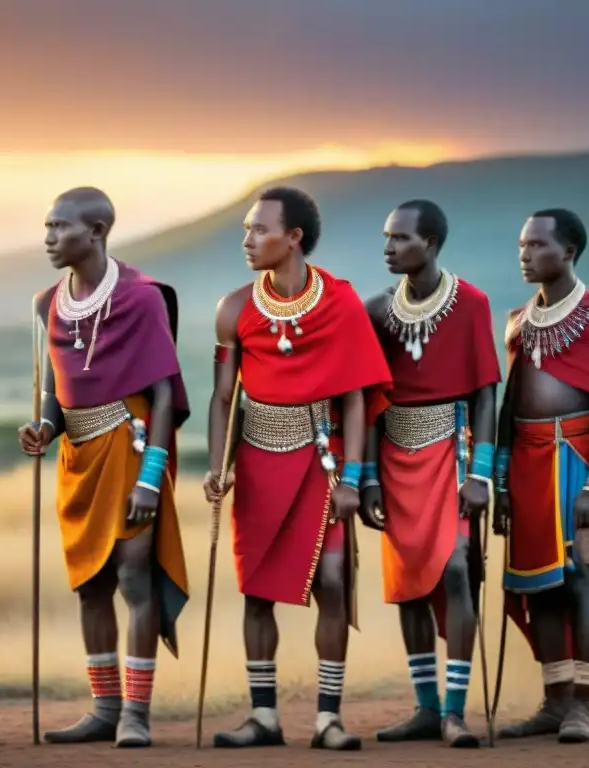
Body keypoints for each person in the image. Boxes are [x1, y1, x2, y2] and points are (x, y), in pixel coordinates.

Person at [204, 186, 392, 751]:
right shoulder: (234, 307)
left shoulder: (340, 303)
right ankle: (263, 718)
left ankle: (327, 720)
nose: (248, 240)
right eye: (245, 229)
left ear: (294, 238)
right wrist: (219, 466)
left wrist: (354, 479)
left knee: (332, 583)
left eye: (259, 230)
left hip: (323, 456)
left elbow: (357, 397)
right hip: (259, 461)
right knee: (257, 591)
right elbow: (221, 399)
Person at [16, 187, 190, 749]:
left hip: (130, 444)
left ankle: (136, 713)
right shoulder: (48, 303)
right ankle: (104, 707)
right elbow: (54, 390)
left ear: (96, 232)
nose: (48, 238)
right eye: (45, 228)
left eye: (59, 227)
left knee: (135, 576)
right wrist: (46, 427)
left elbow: (164, 394)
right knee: (90, 584)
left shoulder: (141, 298)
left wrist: (150, 476)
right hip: (78, 456)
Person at [494, 208, 589, 743]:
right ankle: (554, 702)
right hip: (527, 465)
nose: (525, 254)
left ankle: (586, 705)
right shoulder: (517, 321)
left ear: (569, 252)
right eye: (521, 245)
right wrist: (502, 482)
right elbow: (510, 409)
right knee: (540, 587)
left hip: (576, 458)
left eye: (536, 245)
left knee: (581, 577)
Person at [361, 200, 502, 748]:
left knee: (458, 570)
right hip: (395, 455)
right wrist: (369, 476)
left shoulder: (471, 304)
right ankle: (425, 706)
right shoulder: (376, 312)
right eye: (386, 237)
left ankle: (456, 711)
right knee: (409, 583)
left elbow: (486, 391)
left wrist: (482, 473)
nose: (389, 248)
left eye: (400, 238)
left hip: (453, 452)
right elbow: (370, 401)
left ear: (433, 244)